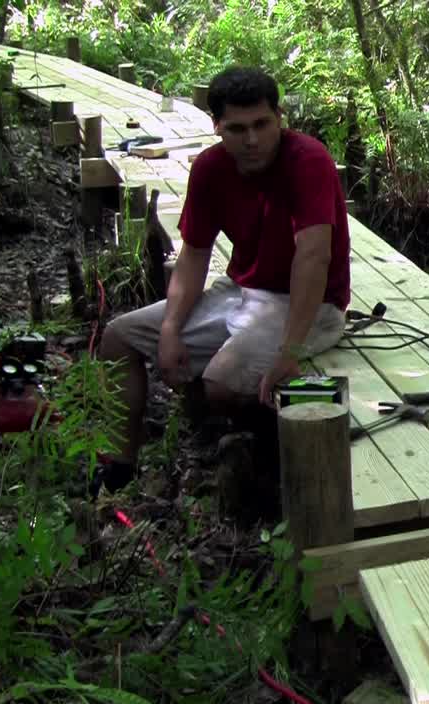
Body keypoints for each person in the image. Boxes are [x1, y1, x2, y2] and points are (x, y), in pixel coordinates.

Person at [94, 66, 351, 493]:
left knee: (220, 385)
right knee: (119, 337)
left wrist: (290, 351)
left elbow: (313, 256)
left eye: (261, 125)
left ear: (279, 118)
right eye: (236, 129)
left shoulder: (308, 160)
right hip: (241, 293)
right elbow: (195, 253)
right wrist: (171, 329)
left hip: (311, 304)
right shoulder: (211, 168)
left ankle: (280, 449)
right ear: (216, 126)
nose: (251, 140)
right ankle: (121, 465)